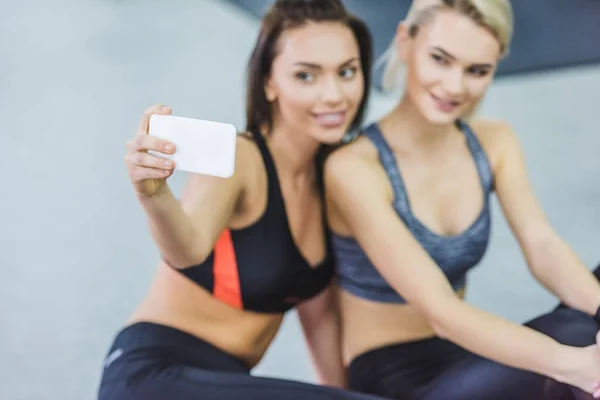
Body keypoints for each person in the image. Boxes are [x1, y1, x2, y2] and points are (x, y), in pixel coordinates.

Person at [97, 1, 388, 399]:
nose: (333, 94)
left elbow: (320, 322)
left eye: (347, 72)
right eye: (306, 75)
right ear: (269, 82)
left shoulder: (333, 182)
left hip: (227, 381)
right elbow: (188, 249)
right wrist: (153, 195)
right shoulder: (240, 159)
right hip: (153, 375)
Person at [324, 0, 600, 399]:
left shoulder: (493, 142)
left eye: (477, 70)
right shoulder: (353, 169)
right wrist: (583, 367)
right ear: (405, 41)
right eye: (440, 59)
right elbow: (443, 314)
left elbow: (543, 247)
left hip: (470, 356)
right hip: (399, 381)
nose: (455, 86)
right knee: (573, 338)